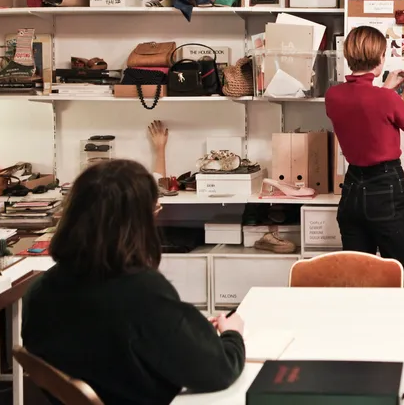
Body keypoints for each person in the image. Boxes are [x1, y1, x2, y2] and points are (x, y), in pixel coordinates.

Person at [23, 160, 245, 405]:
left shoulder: (39, 292)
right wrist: (232, 334)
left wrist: (184, 328)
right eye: (155, 209)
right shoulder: (141, 294)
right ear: (136, 223)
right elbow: (219, 371)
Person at [325, 25, 404, 287]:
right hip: (386, 187)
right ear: (381, 58)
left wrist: (385, 88)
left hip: (352, 190)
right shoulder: (385, 99)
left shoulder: (333, 96)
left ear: (348, 56)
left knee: (359, 280)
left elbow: (364, 105)